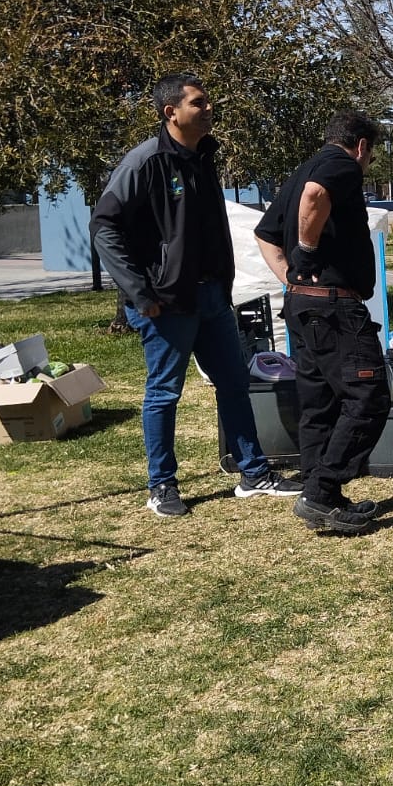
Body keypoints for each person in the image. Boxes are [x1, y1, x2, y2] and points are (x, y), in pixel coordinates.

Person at [90, 73, 302, 517]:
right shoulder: (144, 163)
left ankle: (253, 473)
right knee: (164, 393)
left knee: (234, 384)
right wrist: (139, 292)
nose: (208, 109)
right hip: (166, 302)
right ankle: (161, 486)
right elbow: (104, 228)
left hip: (211, 297)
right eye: (198, 103)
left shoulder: (203, 157)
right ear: (171, 112)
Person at [254, 109, 391, 533]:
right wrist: (308, 254)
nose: (366, 166)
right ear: (362, 146)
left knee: (320, 401)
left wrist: (291, 279)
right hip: (334, 307)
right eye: (370, 157)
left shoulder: (301, 170)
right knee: (369, 395)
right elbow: (316, 196)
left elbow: (264, 233)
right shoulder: (341, 163)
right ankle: (322, 491)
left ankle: (320, 490)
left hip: (304, 305)